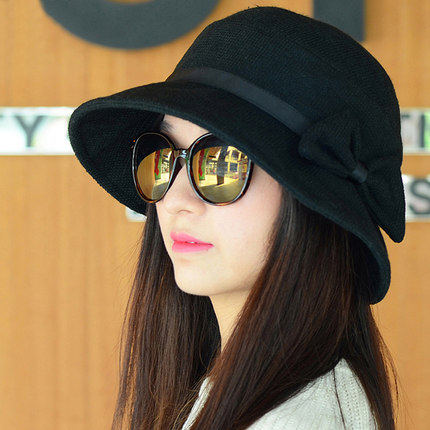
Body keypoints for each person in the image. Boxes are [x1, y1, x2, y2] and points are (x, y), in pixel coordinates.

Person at [68, 6, 406, 430]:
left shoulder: (294, 419)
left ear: (313, 202)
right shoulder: (244, 392)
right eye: (165, 155)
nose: (175, 200)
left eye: (221, 163)